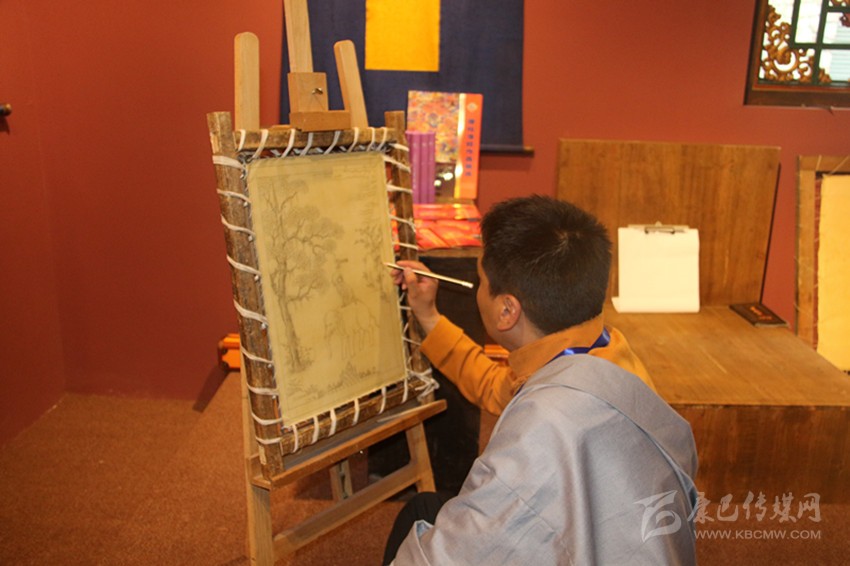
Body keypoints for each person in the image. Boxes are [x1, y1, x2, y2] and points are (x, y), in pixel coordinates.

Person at [384, 195, 698, 565]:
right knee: (424, 506)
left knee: (418, 528)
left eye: (481, 281)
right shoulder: (605, 348)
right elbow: (496, 386)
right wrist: (429, 316)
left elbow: (467, 549)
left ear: (507, 310)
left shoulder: (543, 424)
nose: (478, 289)